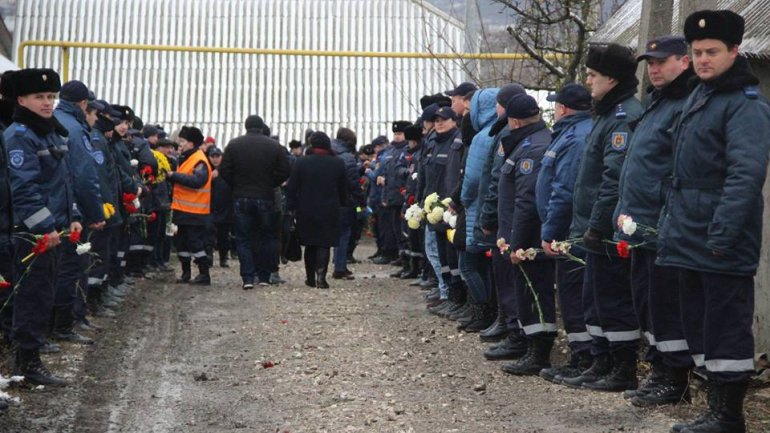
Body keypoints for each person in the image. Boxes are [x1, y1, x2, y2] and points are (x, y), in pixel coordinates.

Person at [659, 10, 770, 433]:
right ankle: (713, 409)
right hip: (688, 236)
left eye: (712, 52)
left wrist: (721, 234)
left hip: (719, 240)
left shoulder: (746, 106)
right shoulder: (700, 96)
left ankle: (728, 416)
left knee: (725, 328)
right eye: (697, 52)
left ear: (735, 51)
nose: (703, 59)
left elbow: (745, 175)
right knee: (700, 325)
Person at [613, 35, 695, 407]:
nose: (655, 69)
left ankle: (675, 380)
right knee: (647, 304)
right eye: (650, 62)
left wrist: (664, 219)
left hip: (661, 226)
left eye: (662, 61)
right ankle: (660, 372)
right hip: (639, 225)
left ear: (685, 61)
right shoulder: (656, 103)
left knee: (666, 306)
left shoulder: (686, 104)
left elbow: (680, 172)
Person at [563, 44, 644, 392]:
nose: (587, 81)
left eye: (593, 75)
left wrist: (598, 225)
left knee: (613, 299)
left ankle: (622, 368)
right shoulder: (607, 114)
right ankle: (601, 361)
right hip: (592, 226)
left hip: (608, 229)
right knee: (594, 298)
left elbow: (613, 179)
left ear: (612, 78)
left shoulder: (624, 116)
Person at [4, 68, 76, 385]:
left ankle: (31, 356)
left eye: (51, 97)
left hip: (53, 229)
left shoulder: (48, 131)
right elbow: (24, 190)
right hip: (32, 234)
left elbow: (62, 182)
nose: (47, 103)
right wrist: (45, 228)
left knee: (43, 293)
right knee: (32, 296)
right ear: (21, 99)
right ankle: (26, 363)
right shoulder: (20, 135)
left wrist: (71, 215)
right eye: (39, 97)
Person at [535, 83, 594, 383]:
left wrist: (551, 231)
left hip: (570, 232)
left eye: (556, 105)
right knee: (572, 294)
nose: (554, 110)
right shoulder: (572, 133)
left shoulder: (575, 138)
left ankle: (584, 357)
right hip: (569, 229)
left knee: (573, 294)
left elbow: (564, 190)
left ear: (564, 109)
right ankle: (583, 355)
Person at [493, 94, 554, 375]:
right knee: (526, 291)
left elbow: (526, 200)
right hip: (518, 234)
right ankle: (532, 347)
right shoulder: (526, 144)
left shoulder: (532, 149)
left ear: (514, 121)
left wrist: (517, 242)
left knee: (533, 292)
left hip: (527, 238)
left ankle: (538, 352)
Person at [219, 115, 290, 289]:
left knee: (243, 238)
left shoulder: (234, 145)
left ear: (246, 126)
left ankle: (248, 278)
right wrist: (271, 183)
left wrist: (236, 185)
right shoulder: (274, 146)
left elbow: (224, 170)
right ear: (261, 127)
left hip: (241, 197)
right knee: (267, 236)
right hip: (265, 197)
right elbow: (285, 170)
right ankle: (265, 276)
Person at [458, 87, 499, 333]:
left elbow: (472, 179)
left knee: (468, 264)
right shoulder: (500, 132)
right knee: (486, 266)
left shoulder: (483, 137)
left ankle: (483, 311)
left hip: (477, 209)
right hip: (491, 208)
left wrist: (462, 200)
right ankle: (487, 312)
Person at [286, 132, 348, 289]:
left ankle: (310, 278)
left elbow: (292, 188)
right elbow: (343, 189)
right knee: (324, 244)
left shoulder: (301, 163)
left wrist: (291, 207)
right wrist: (342, 203)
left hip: (306, 209)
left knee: (310, 244)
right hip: (329, 209)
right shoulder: (338, 163)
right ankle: (321, 277)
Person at [168, 126, 213, 285]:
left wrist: (174, 176)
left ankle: (204, 274)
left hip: (195, 211)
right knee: (181, 243)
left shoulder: (199, 159)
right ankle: (186, 273)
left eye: (182, 141)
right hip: (183, 209)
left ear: (192, 143)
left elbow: (197, 181)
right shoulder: (187, 157)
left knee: (195, 243)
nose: (179, 144)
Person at [331, 127, 362, 280]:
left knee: (334, 233)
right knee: (344, 234)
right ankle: (340, 267)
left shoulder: (329, 152)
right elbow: (353, 182)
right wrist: (361, 200)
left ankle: (335, 263)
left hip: (328, 199)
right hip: (344, 200)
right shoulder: (348, 157)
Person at [209, 147, 233, 268]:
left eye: (217, 156)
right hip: (210, 207)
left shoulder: (227, 171)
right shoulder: (205, 169)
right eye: (212, 156)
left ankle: (223, 258)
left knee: (224, 236)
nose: (215, 159)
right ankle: (209, 258)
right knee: (209, 235)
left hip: (225, 207)